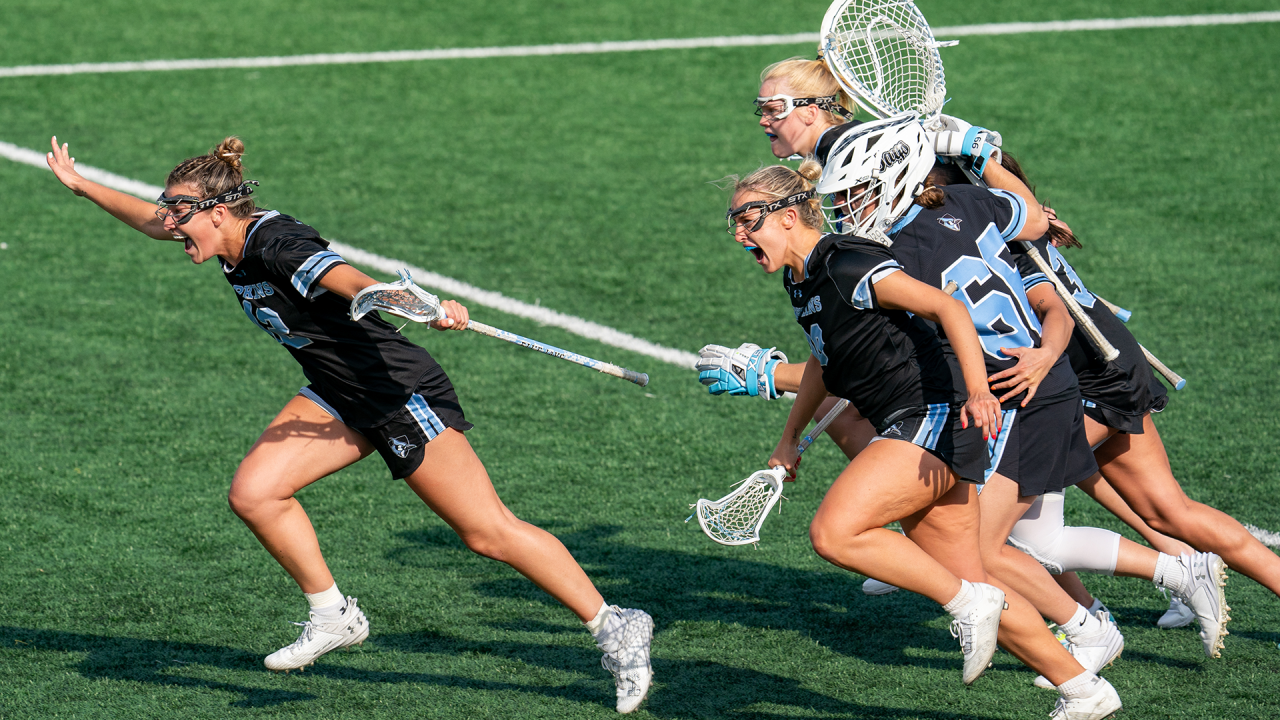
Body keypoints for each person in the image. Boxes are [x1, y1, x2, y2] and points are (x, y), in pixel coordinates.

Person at [44, 136, 654, 714]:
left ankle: (616, 626)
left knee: (487, 532)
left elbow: (347, 280)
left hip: (396, 393)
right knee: (256, 494)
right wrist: (80, 186)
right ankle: (333, 615)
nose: (169, 225)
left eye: (180, 215)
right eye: (169, 213)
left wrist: (407, 301)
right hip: (338, 393)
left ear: (222, 212)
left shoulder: (276, 245)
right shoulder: (222, 238)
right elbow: (153, 223)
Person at [724, 160, 1122, 720]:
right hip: (912, 421)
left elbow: (948, 306)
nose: (739, 233)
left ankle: (968, 603)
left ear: (789, 216)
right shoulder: (801, 279)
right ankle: (1084, 689)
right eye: (733, 222)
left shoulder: (848, 261)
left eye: (748, 218)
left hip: (930, 413)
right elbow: (823, 356)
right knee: (971, 572)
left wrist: (980, 392)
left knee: (835, 533)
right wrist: (788, 438)